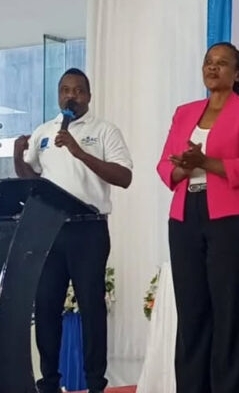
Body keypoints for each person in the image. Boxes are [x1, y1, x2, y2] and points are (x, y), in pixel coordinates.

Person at [156, 42, 239, 393]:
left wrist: (204, 162)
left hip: (234, 222)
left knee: (231, 318)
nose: (212, 67)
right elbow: (164, 166)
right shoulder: (184, 112)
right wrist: (183, 167)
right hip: (186, 217)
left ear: (237, 74)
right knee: (192, 316)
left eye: (222, 63)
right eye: (208, 62)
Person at [13, 68, 133, 393]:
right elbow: (32, 181)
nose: (71, 96)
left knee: (91, 307)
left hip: (88, 230)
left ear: (89, 96)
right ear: (58, 96)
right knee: (46, 305)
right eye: (65, 90)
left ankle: (95, 383)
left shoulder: (104, 130)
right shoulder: (44, 132)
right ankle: (49, 383)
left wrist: (78, 151)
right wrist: (18, 156)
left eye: (78, 90)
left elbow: (124, 177)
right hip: (49, 230)